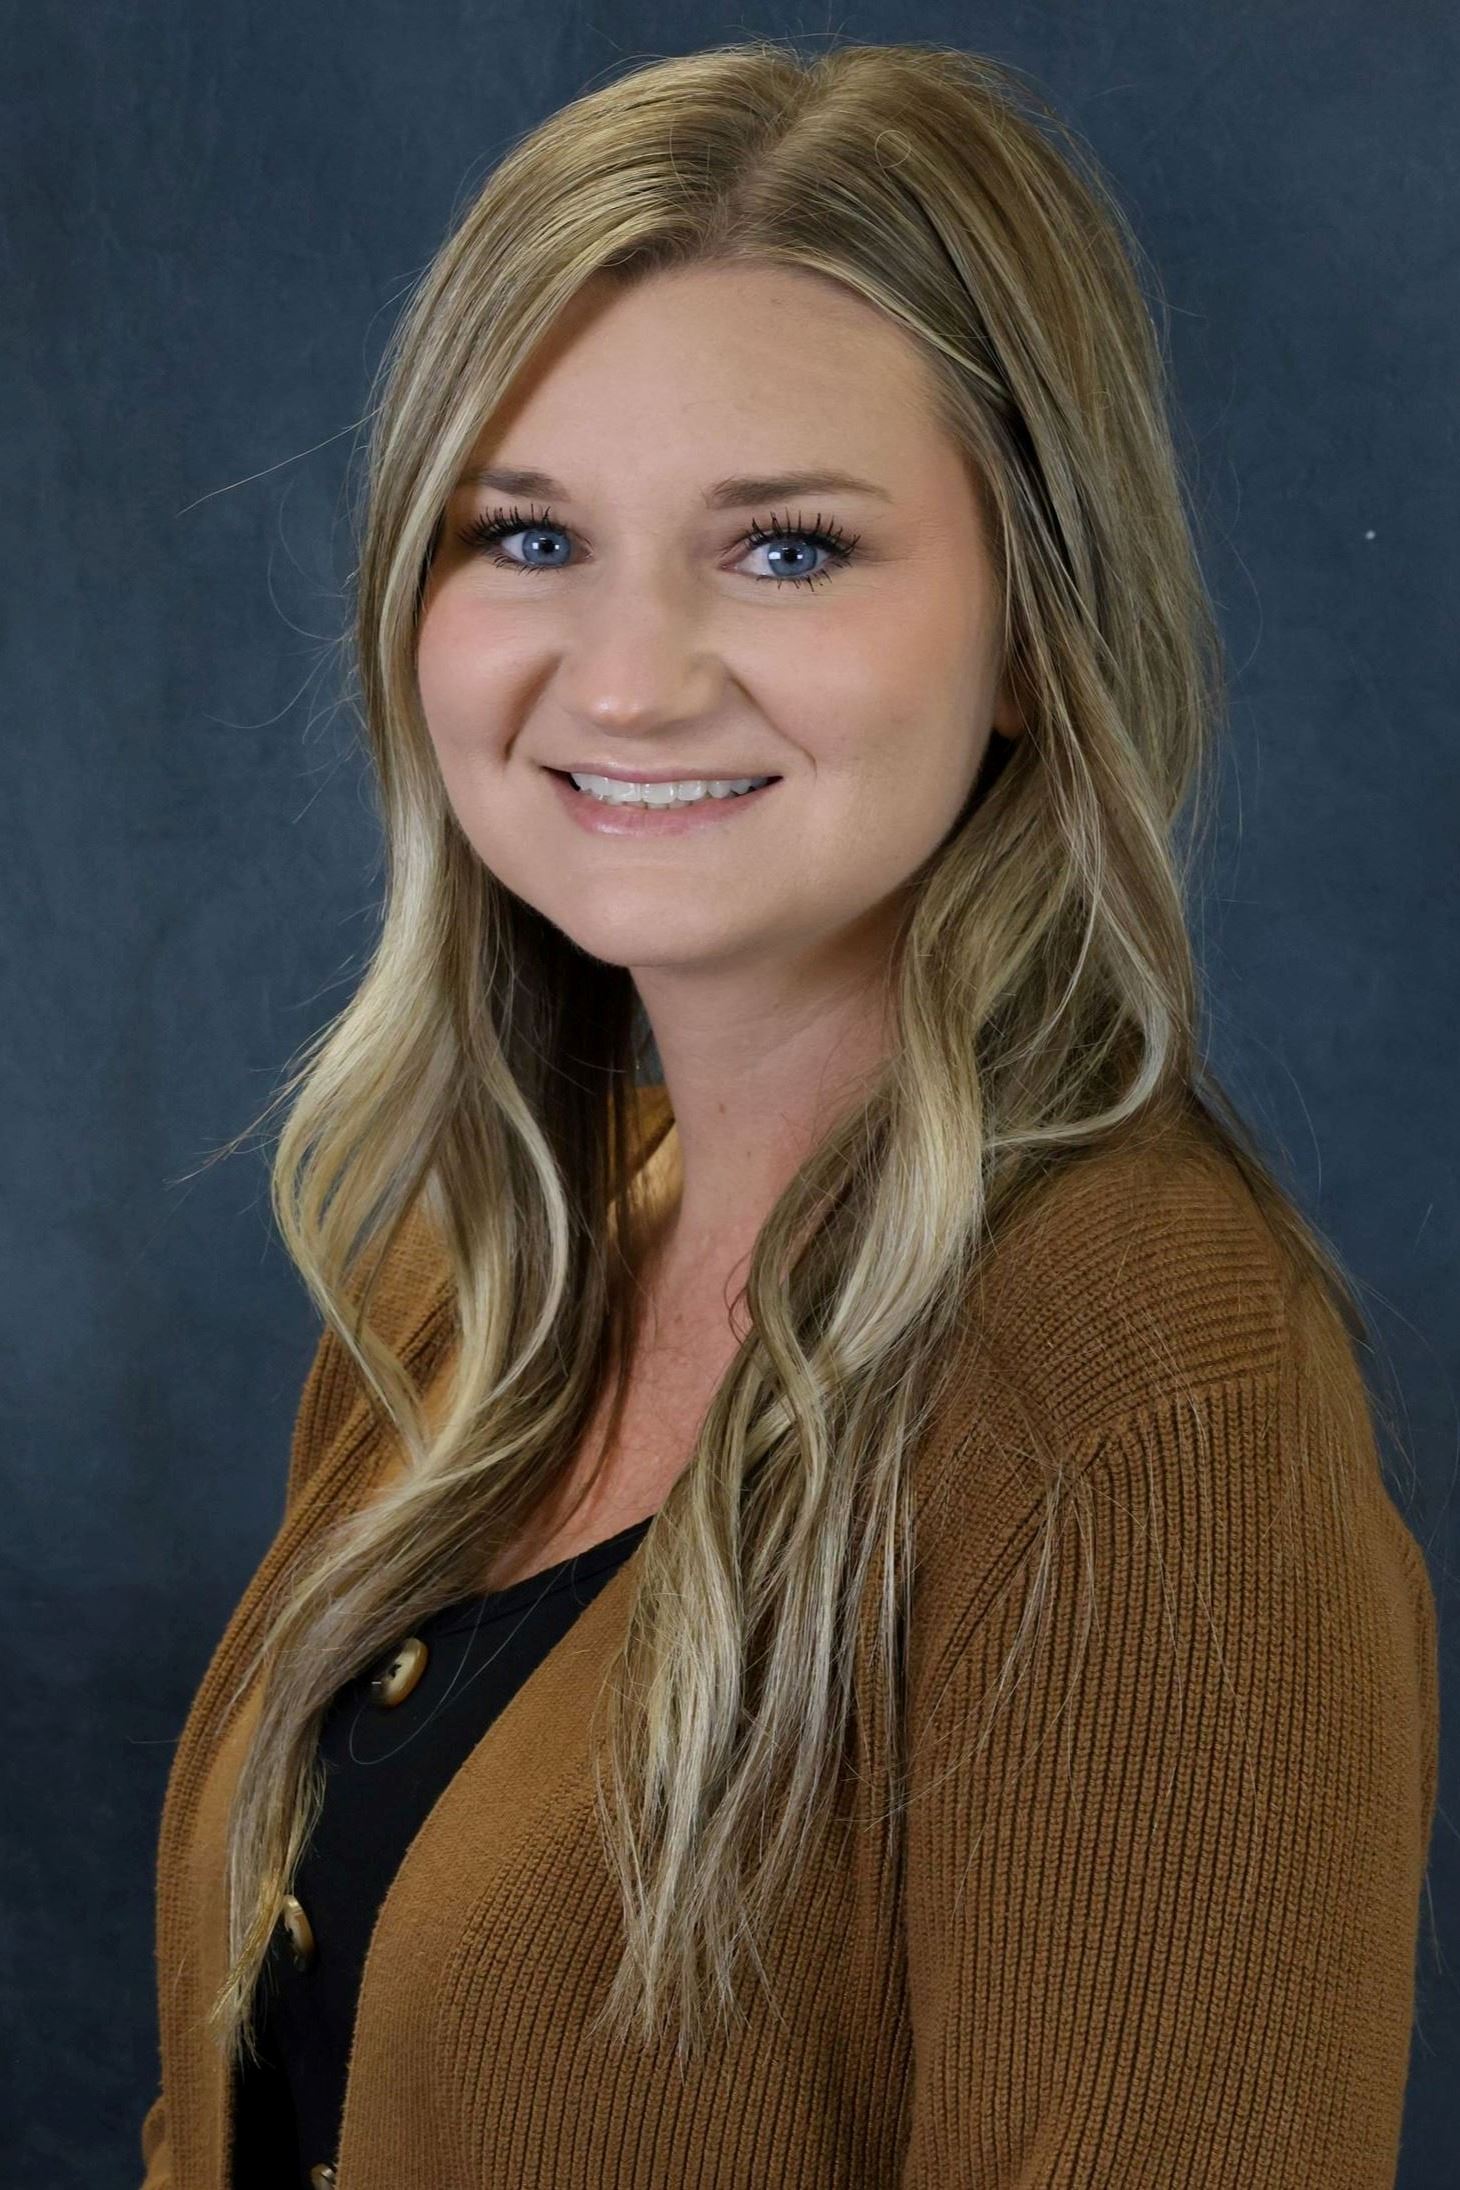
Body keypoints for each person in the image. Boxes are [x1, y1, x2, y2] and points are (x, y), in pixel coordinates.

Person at [140, 36, 1438, 2190]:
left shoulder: (1142, 1402)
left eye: (788, 553)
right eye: (528, 532)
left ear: (1032, 622)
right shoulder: (472, 1284)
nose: (628, 676)